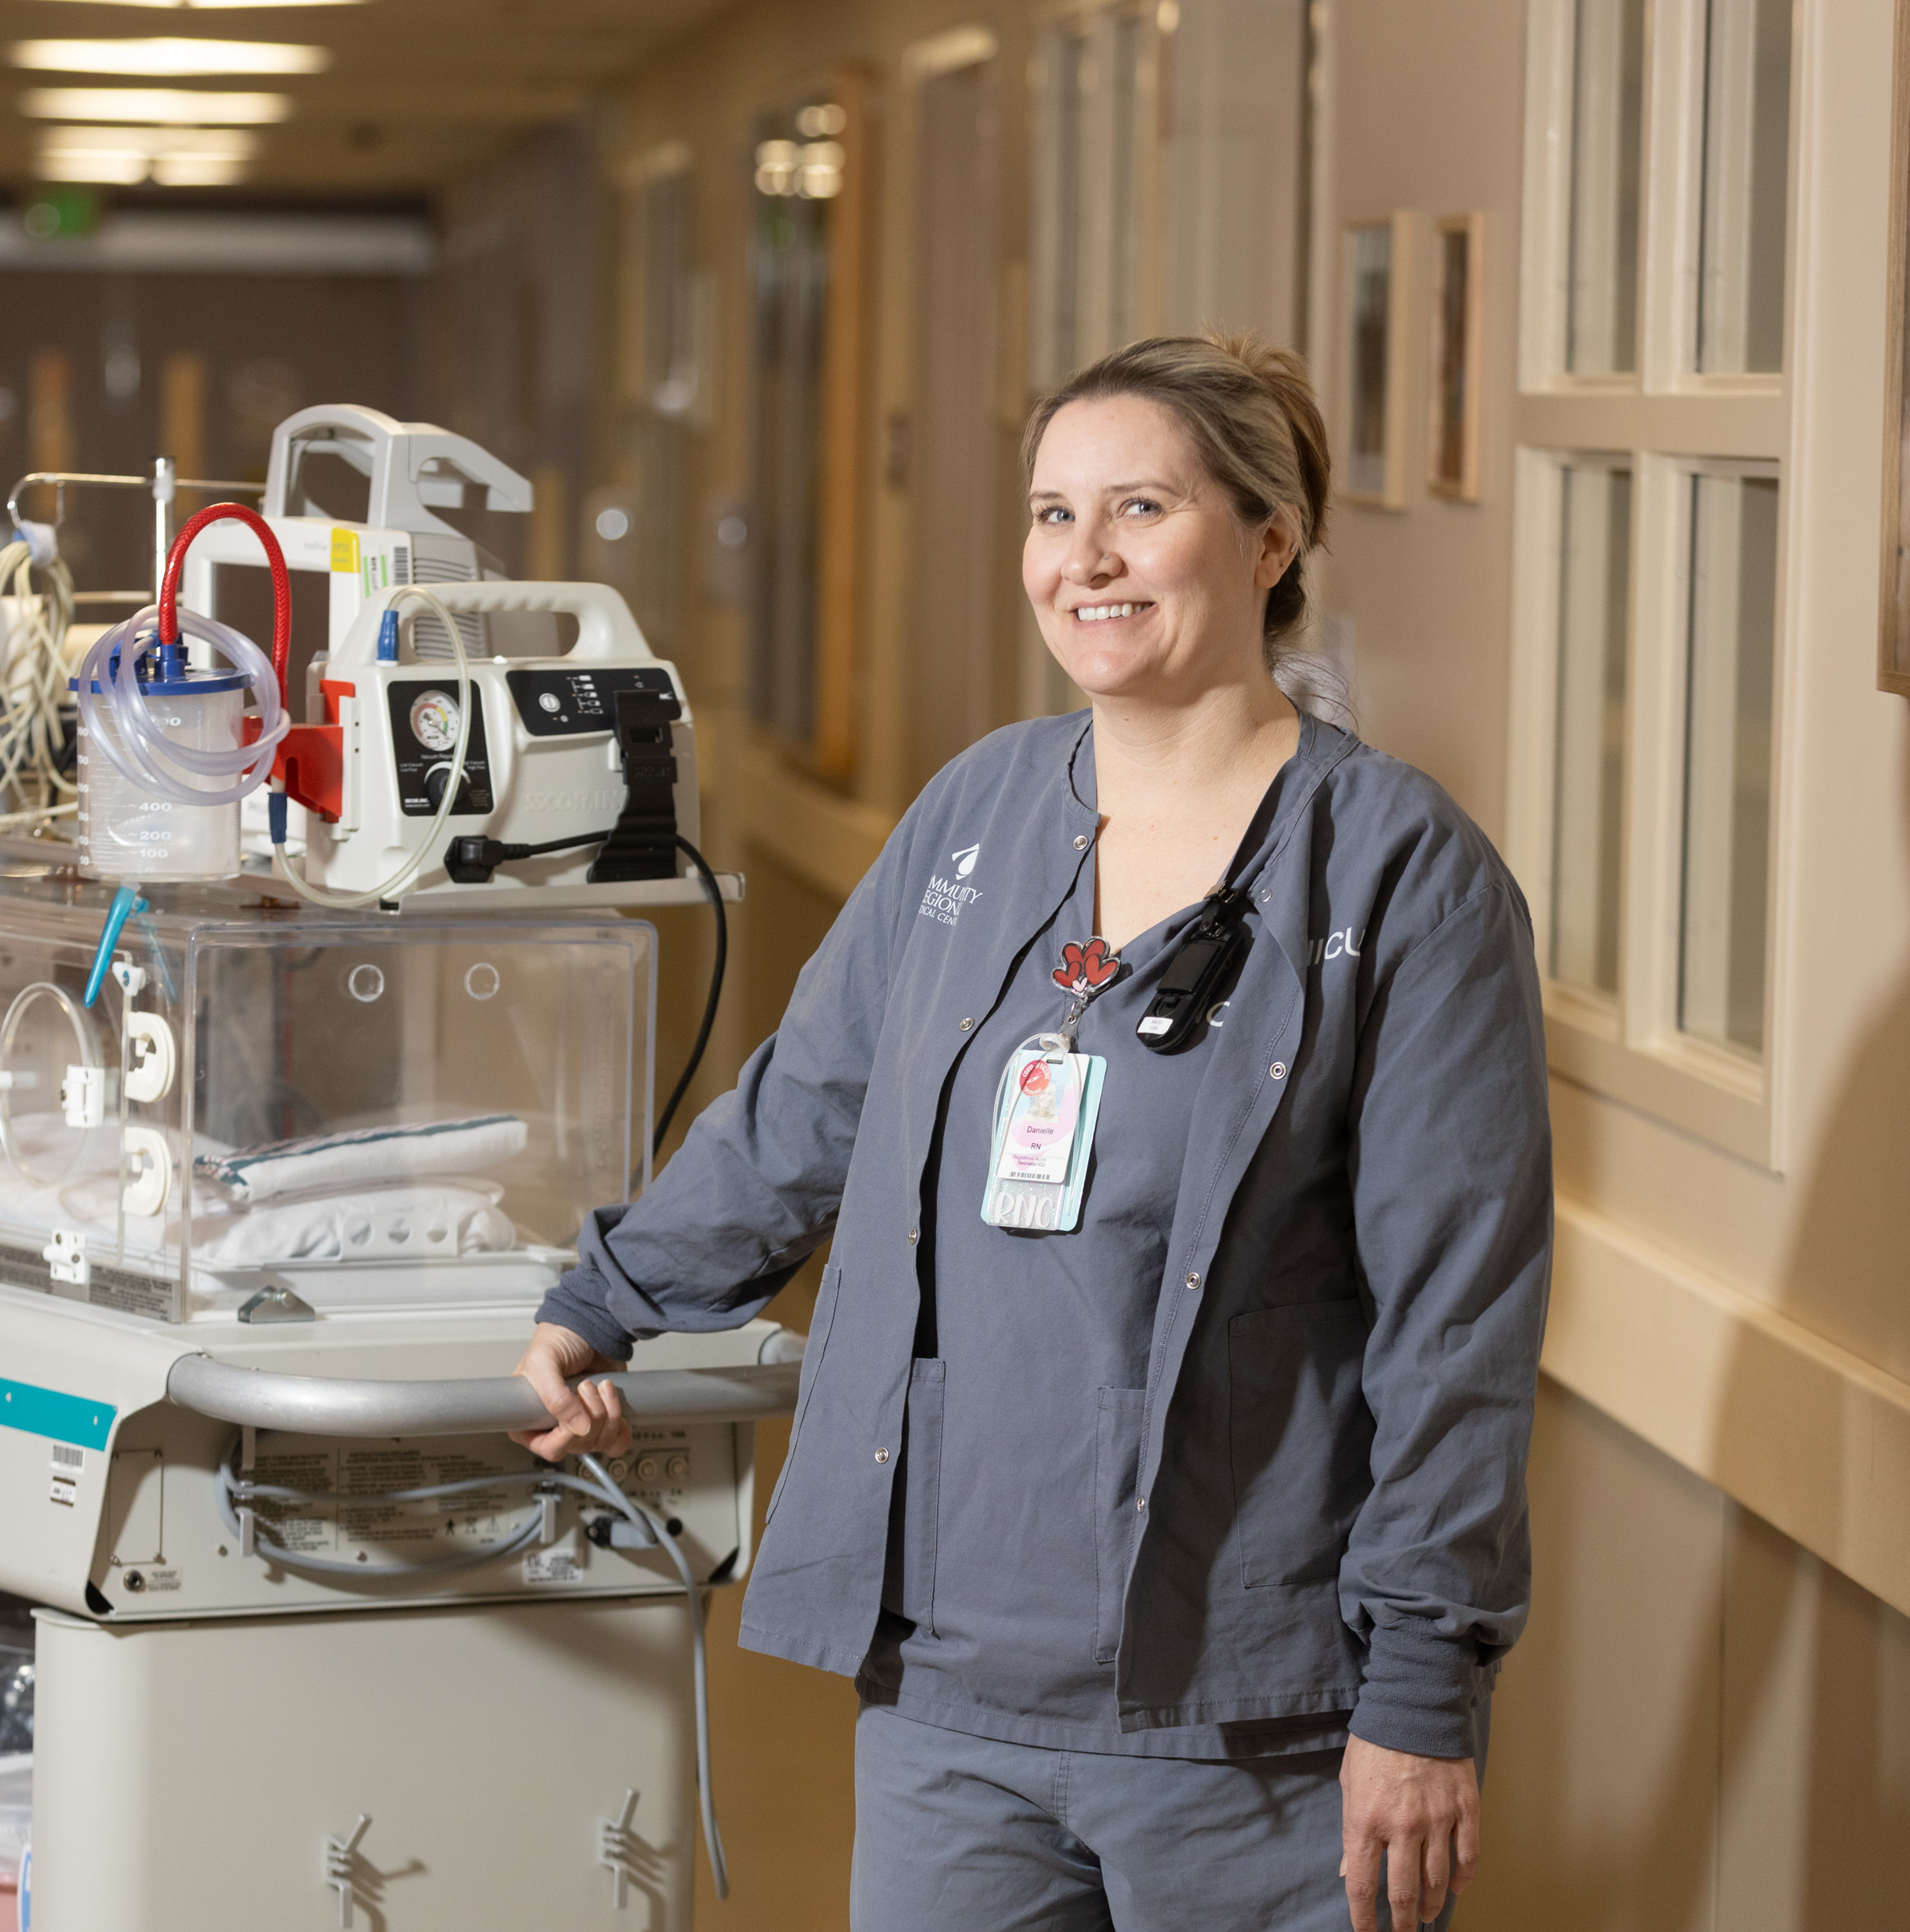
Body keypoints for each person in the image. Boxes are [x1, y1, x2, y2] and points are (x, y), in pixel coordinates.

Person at [515, 333, 1549, 1932]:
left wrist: (1422, 1685)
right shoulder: (980, 816)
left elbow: (1458, 1316)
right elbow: (807, 1109)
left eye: (1142, 506)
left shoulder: (1402, 874)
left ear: (1270, 542)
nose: (1088, 560)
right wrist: (609, 1299)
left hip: (1245, 1710)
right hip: (947, 1685)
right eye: (1053, 514)